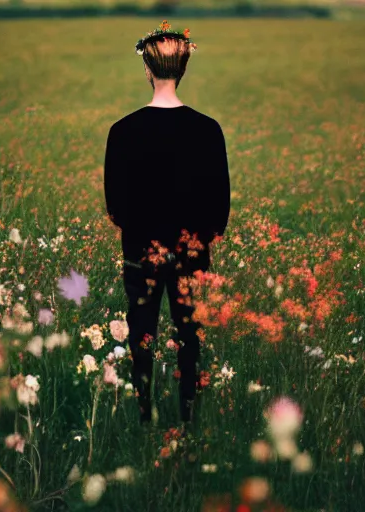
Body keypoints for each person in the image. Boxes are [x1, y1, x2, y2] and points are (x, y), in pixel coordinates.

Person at [104, 20, 230, 427]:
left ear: (148, 69)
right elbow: (220, 205)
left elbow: (115, 206)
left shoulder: (122, 132)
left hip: (140, 250)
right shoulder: (208, 130)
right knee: (190, 335)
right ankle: (189, 416)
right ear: (183, 69)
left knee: (141, 330)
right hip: (193, 253)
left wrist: (141, 230)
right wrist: (200, 240)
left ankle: (144, 415)